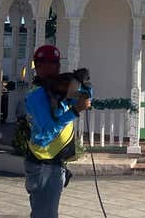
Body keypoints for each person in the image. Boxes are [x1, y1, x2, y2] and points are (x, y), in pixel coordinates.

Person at [24, 45, 91, 218]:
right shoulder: (36, 96)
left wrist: (84, 84)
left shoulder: (62, 90)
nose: (54, 68)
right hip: (43, 166)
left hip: (55, 165)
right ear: (38, 67)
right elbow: (45, 133)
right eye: (47, 64)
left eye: (55, 63)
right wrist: (74, 112)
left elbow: (87, 95)